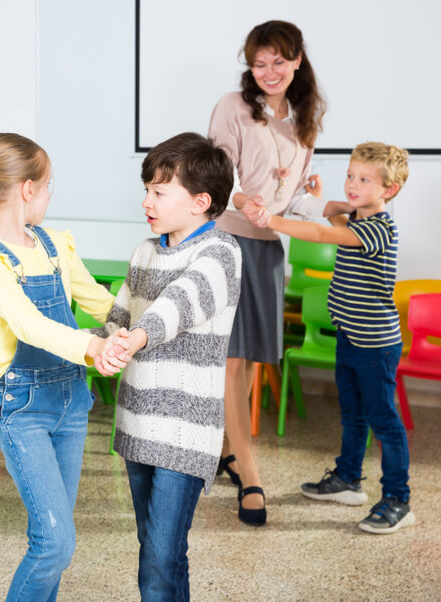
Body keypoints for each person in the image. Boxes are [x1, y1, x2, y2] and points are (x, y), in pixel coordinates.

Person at [0, 133, 122, 600]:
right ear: (27, 190)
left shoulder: (54, 245)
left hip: (72, 403)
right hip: (24, 409)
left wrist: (141, 330)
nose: (49, 195)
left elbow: (102, 302)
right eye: (49, 185)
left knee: (49, 539)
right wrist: (93, 347)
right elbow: (30, 325)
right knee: (57, 543)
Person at [207, 20, 349, 525]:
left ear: (297, 61)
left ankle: (226, 450)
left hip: (269, 247)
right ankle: (250, 473)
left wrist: (308, 194)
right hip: (226, 238)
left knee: (249, 361)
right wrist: (244, 197)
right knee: (231, 361)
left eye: (278, 62)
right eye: (258, 63)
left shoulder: (305, 117)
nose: (268, 72)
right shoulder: (233, 106)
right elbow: (217, 173)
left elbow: (288, 191)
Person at [94, 132, 241, 600]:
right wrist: (102, 347)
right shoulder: (144, 250)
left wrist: (135, 338)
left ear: (201, 201)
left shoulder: (221, 252)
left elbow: (178, 304)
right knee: (156, 550)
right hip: (137, 422)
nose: (146, 201)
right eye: (147, 190)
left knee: (162, 554)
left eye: (159, 192)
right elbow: (121, 314)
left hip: (185, 430)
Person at [244, 142, 414, 534]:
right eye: (351, 175)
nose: (352, 185)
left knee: (384, 420)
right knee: (352, 413)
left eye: (364, 179)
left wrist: (271, 220)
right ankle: (348, 479)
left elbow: (322, 233)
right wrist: (316, 198)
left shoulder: (379, 229)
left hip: (375, 344)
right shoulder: (356, 218)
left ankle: (397, 499)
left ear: (389, 190)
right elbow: (332, 222)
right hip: (351, 337)